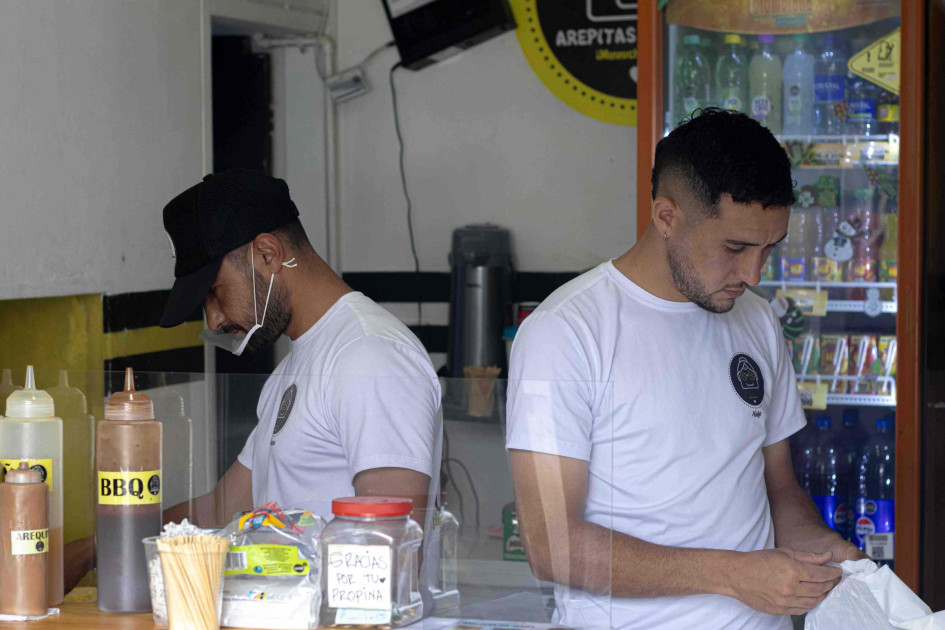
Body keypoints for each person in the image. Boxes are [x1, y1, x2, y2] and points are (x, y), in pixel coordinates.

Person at [505, 109, 864, 630]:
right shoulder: (565, 332)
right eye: (735, 247)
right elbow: (552, 546)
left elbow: (778, 487)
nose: (752, 273)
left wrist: (821, 550)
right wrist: (730, 575)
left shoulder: (757, 320)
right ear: (666, 216)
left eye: (769, 248)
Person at [158, 169, 441, 527]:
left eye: (214, 290)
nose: (213, 320)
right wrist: (100, 545)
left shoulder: (369, 355)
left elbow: (389, 546)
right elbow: (222, 507)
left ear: (267, 254)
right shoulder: (295, 367)